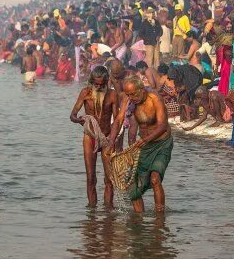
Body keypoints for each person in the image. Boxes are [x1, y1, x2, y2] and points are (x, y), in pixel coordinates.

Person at [107, 75, 173, 213]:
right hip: (144, 146)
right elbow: (118, 121)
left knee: (155, 179)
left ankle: (160, 219)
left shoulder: (155, 99)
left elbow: (162, 126)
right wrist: (112, 142)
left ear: (142, 90)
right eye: (128, 94)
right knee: (132, 186)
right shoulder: (127, 100)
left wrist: (145, 140)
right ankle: (139, 219)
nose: (131, 98)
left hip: (161, 144)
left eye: (133, 94)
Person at [69, 66, 118, 207]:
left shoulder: (112, 95)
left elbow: (117, 120)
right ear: (91, 82)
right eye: (96, 84)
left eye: (101, 84)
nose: (98, 87)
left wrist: (114, 140)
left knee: (109, 179)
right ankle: (92, 213)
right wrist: (79, 120)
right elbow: (72, 115)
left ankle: (108, 211)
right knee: (91, 178)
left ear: (106, 82)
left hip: (107, 138)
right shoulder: (85, 92)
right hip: (89, 137)